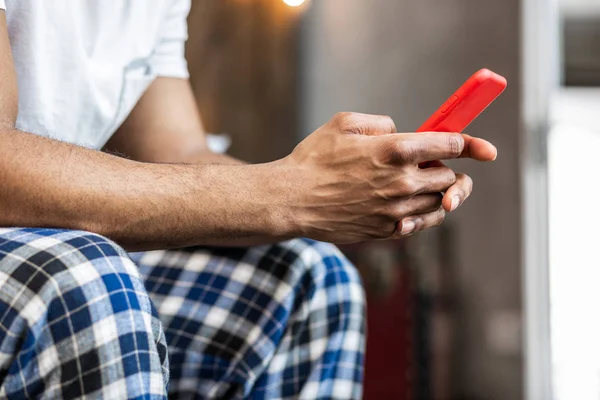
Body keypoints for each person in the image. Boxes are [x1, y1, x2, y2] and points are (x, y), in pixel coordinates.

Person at [0, 1, 497, 399]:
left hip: (70, 253)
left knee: (306, 274)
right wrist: (293, 193)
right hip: (60, 262)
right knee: (89, 277)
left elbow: (178, 154)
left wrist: (337, 189)